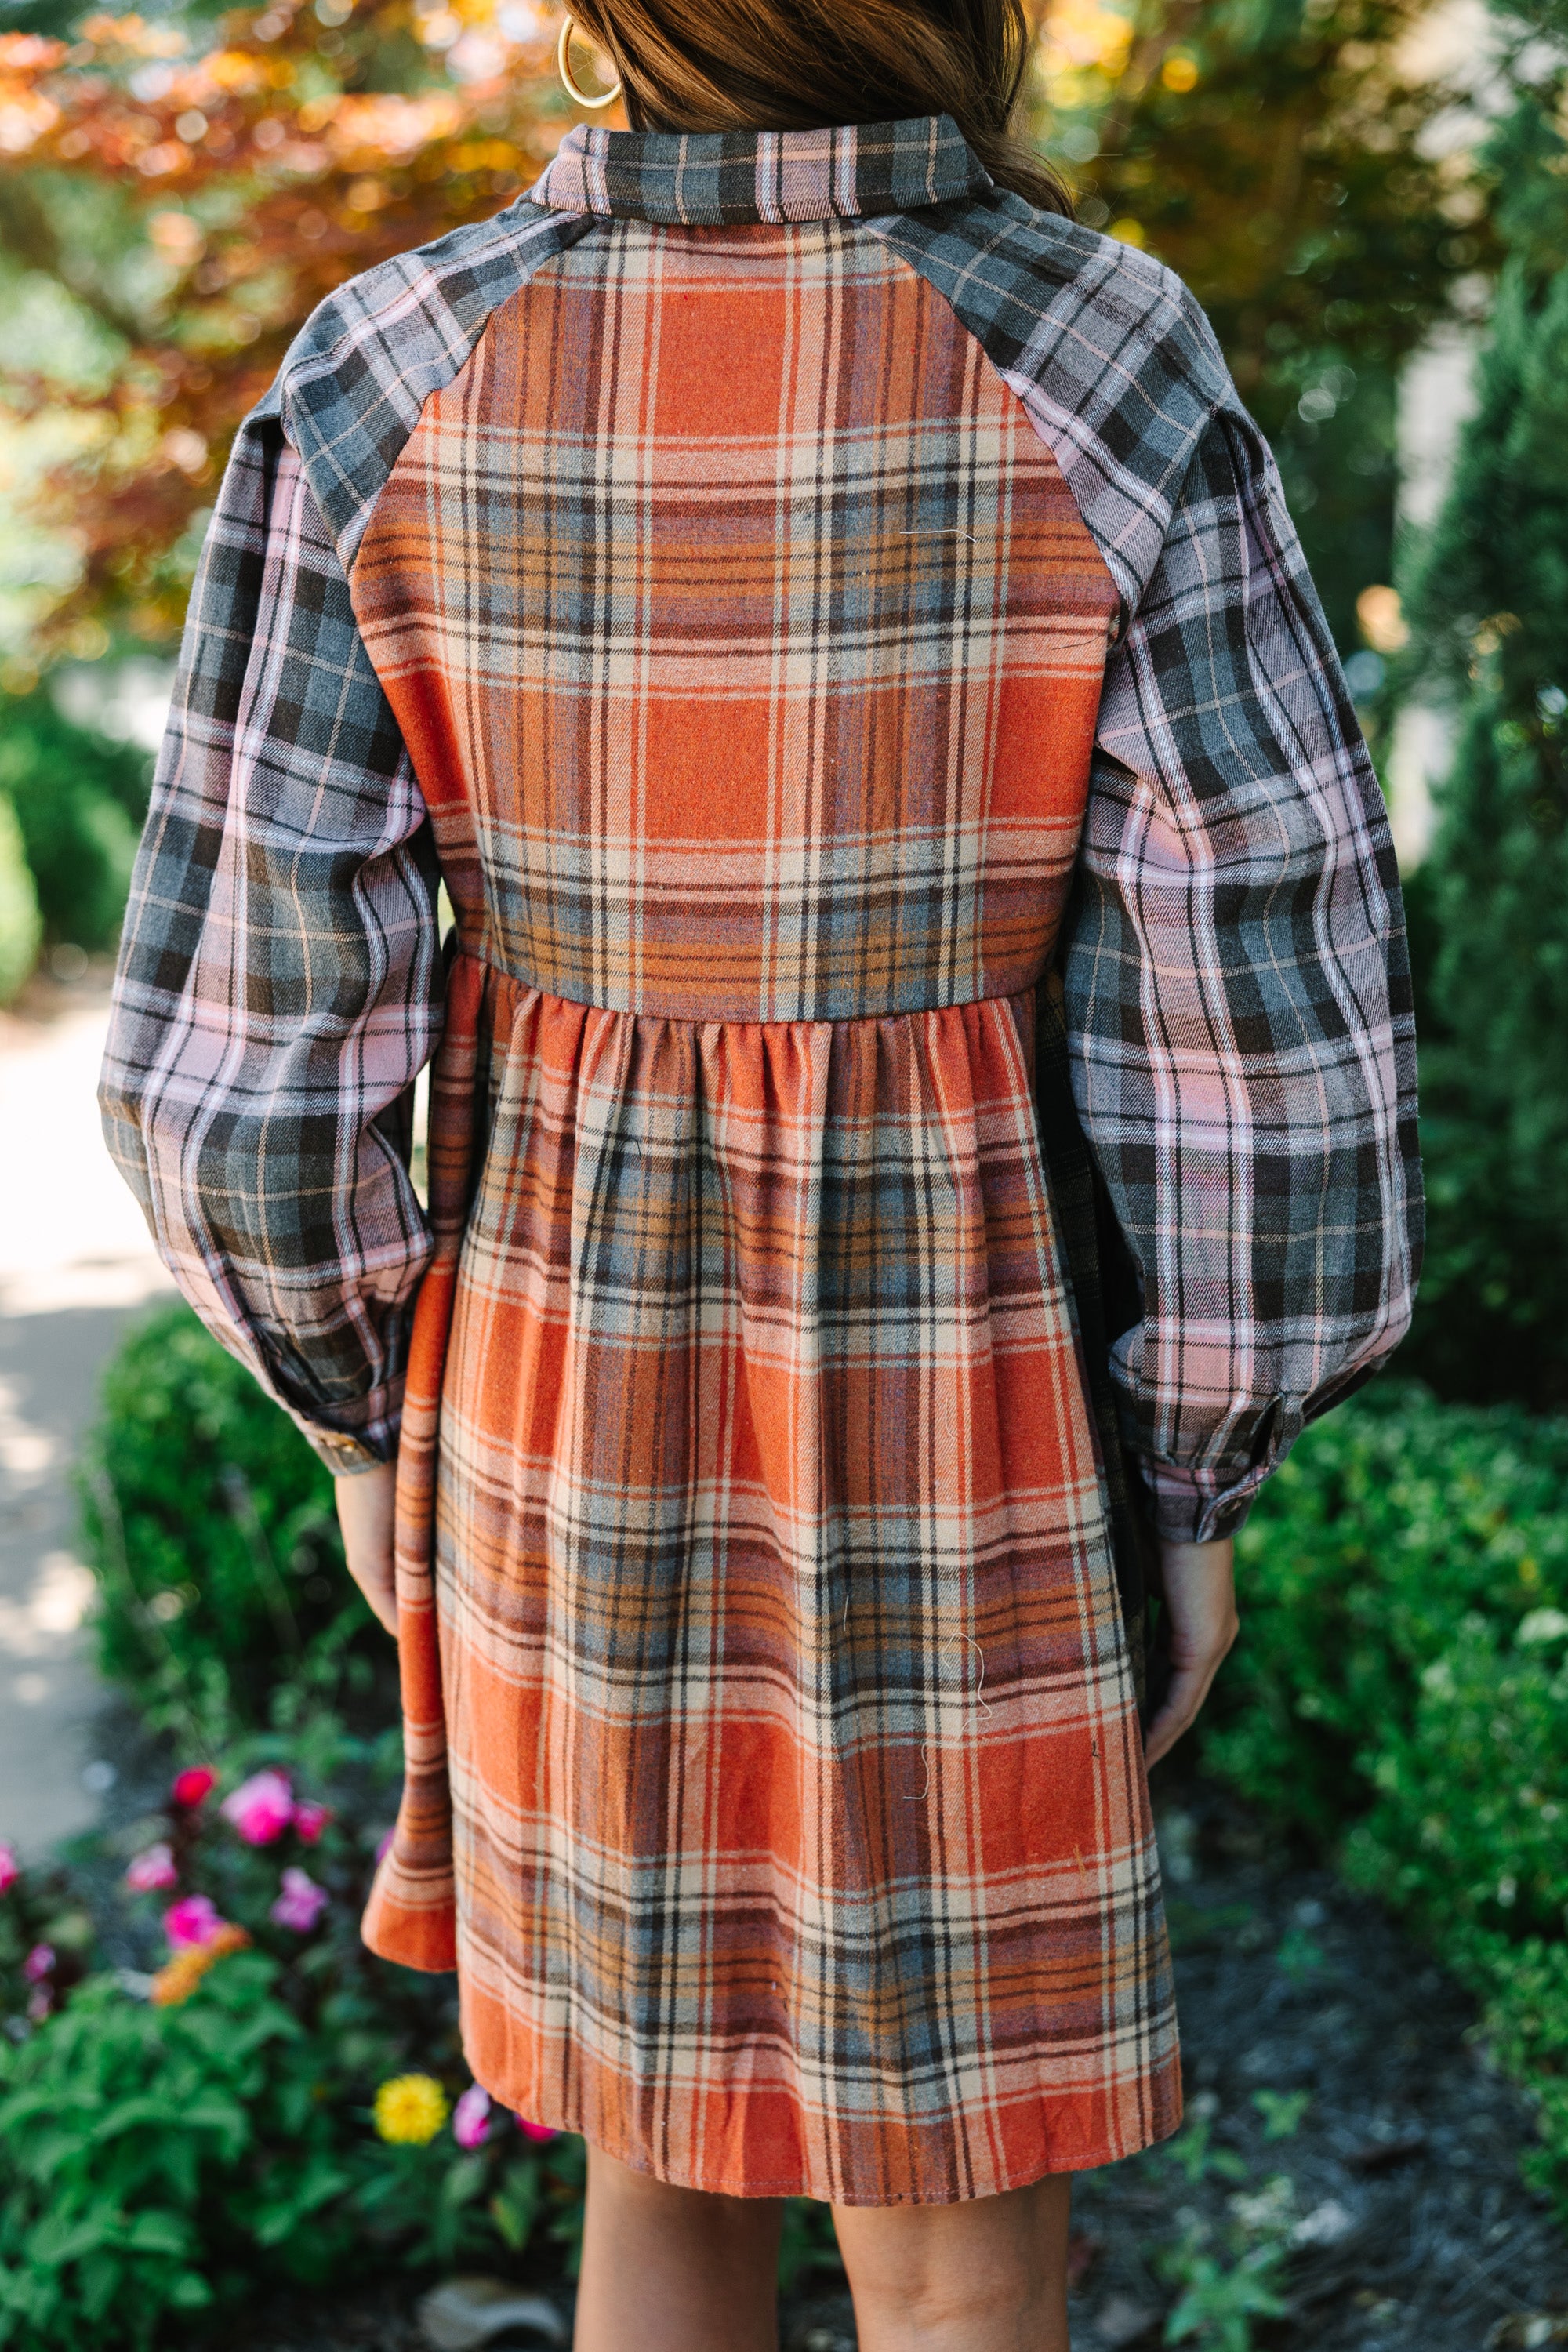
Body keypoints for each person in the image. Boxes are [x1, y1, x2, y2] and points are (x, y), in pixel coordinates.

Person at [100, 0, 1421, 2336]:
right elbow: (1263, 996)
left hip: (550, 1382)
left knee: (652, 2129)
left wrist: (348, 1401)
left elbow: (246, 1039)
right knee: (955, 2224)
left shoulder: (389, 361)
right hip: (967, 1407)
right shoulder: (1097, 352)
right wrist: (1203, 1460)